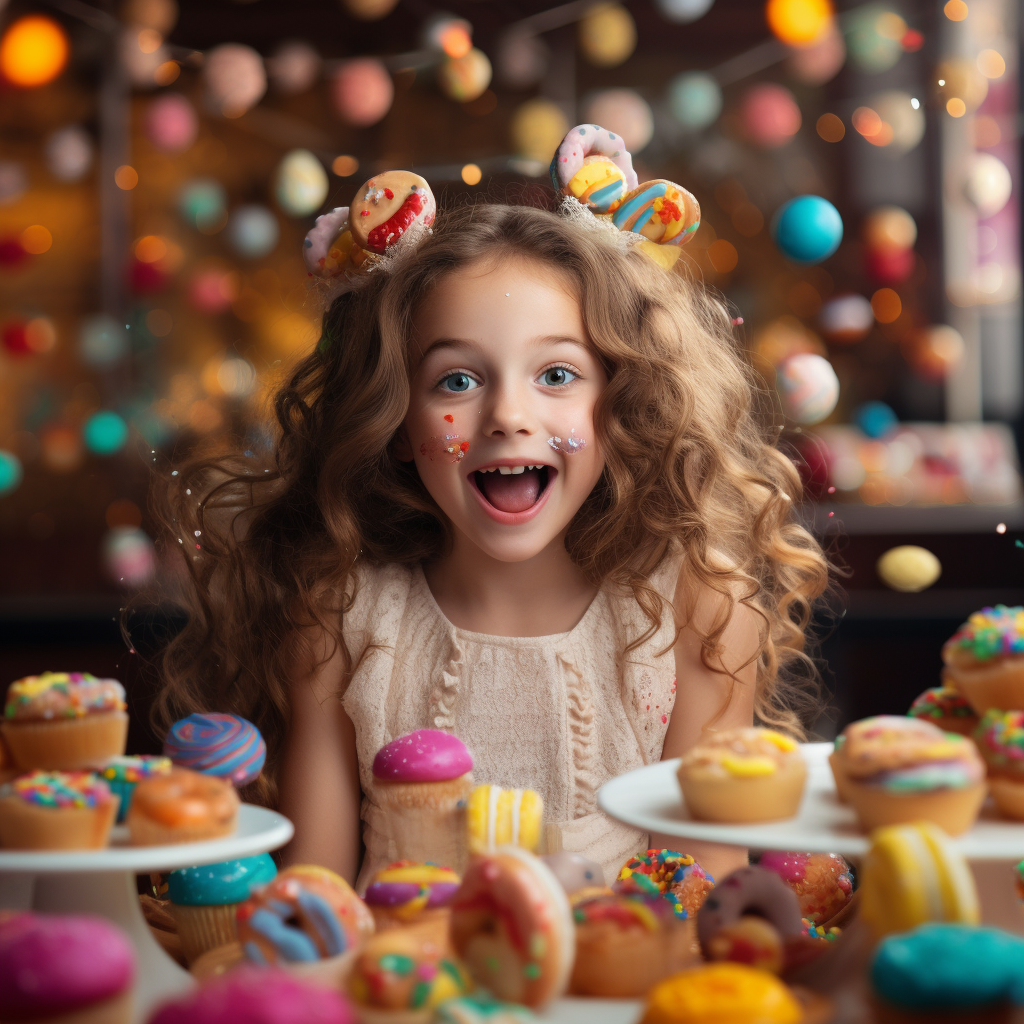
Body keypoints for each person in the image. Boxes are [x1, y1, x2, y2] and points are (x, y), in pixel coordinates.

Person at [149, 179, 829, 889]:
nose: (508, 413)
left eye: (557, 374)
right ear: (400, 425)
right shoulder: (340, 621)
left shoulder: (701, 614)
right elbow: (317, 898)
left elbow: (704, 898)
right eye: (457, 382)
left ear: (620, 404)